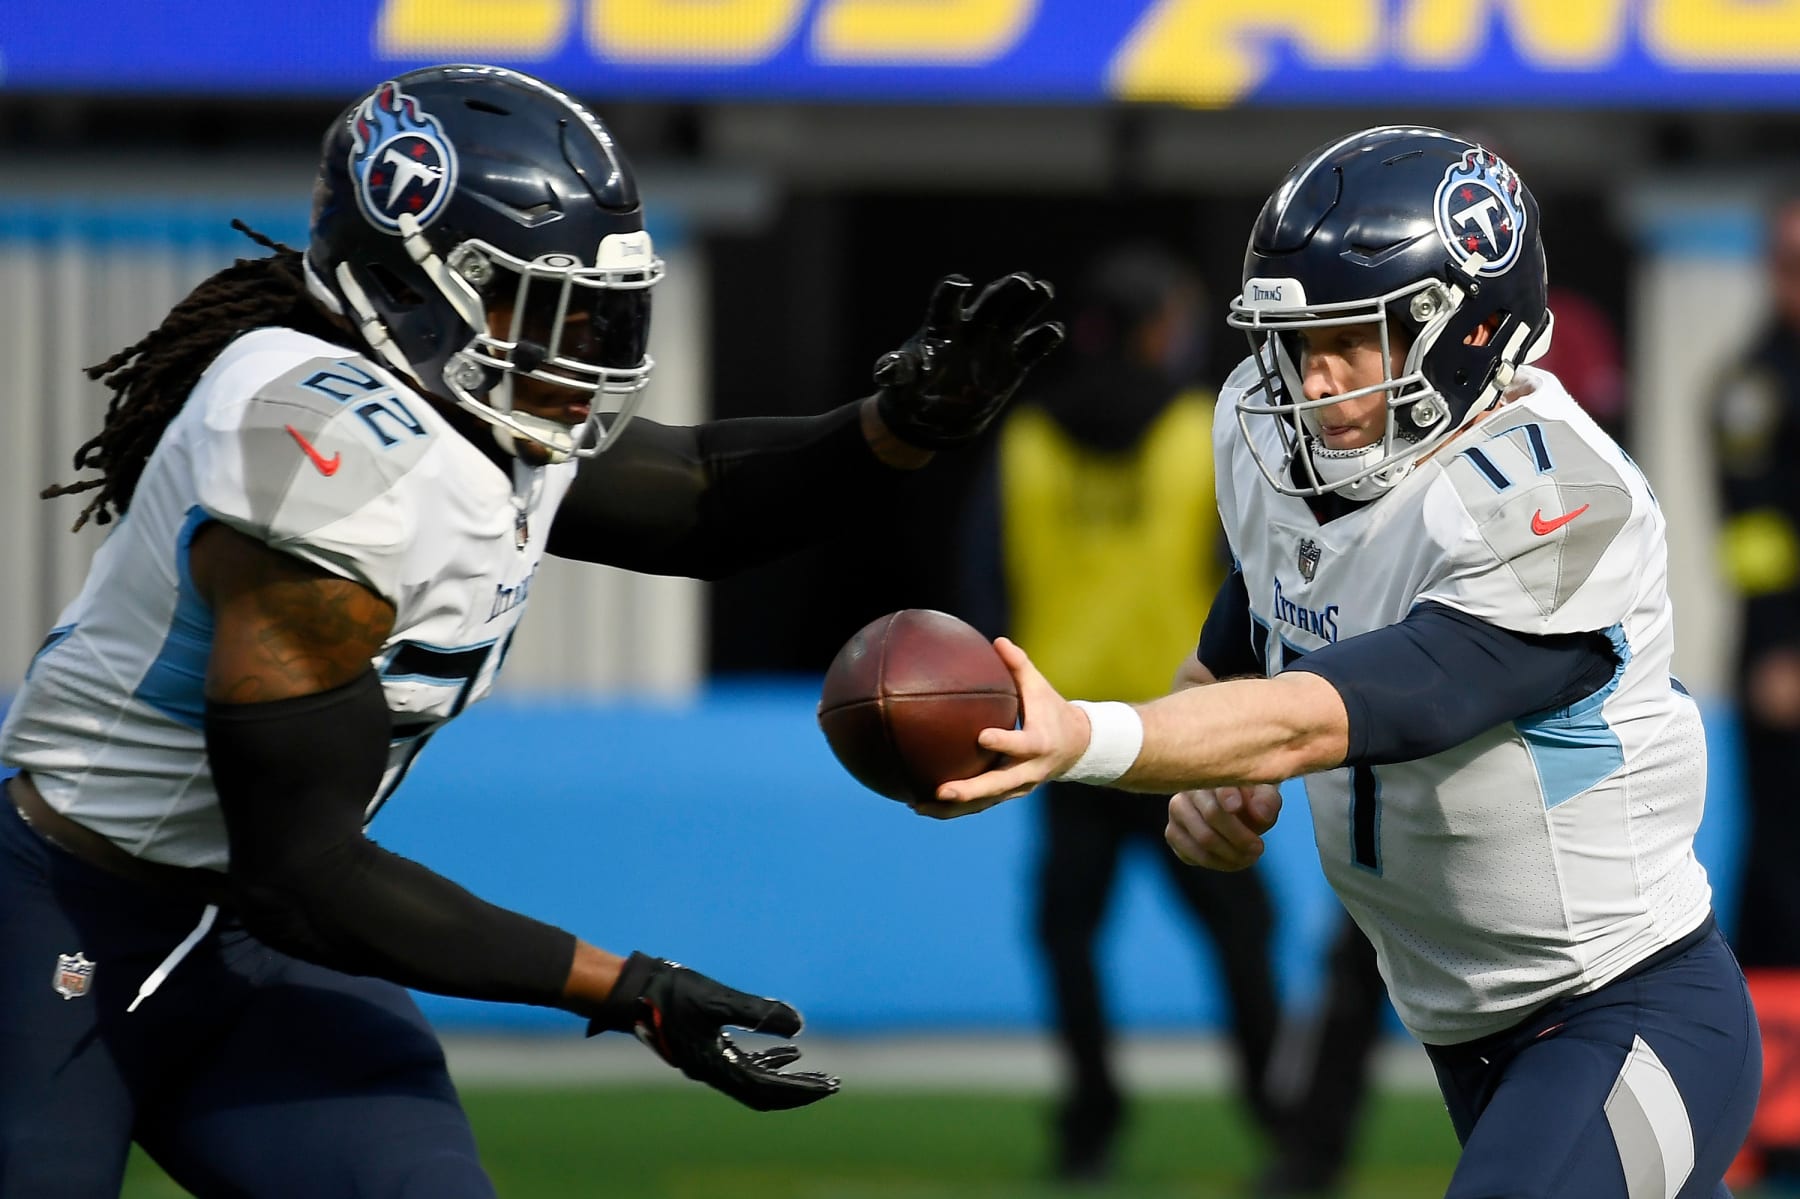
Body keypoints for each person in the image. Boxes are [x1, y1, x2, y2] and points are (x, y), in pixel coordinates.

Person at [0, 64, 1062, 1197]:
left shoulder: (463, 410)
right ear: (409, 286)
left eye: (604, 307)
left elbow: (703, 497)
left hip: (258, 947)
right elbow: (302, 872)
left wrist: (903, 423)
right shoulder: (316, 457)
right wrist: (631, 988)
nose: (586, 341)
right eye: (543, 302)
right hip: (66, 919)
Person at [920, 126, 1761, 1197]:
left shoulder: (1557, 504)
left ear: (1464, 330)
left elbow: (1340, 707)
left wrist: (1089, 736)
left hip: (1624, 1003)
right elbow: (1253, 628)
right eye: (1296, 340)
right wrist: (1204, 764)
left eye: (1350, 340)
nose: (1310, 381)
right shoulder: (1273, 436)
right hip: (1466, 1028)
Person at [961, 244, 1279, 1181]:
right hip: (1181, 730)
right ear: (1156, 330)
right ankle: (1278, 1112)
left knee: (1066, 933)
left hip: (1066, 735)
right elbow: (1255, 579)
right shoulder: (1201, 431)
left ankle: (1091, 1116)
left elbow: (981, 581)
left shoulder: (1025, 440)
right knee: (1241, 926)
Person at [1711, 187, 1800, 1194]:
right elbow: (1753, 530)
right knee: (1780, 885)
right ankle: (1766, 1122)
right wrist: (1779, 644)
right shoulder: (1752, 386)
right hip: (1786, 676)